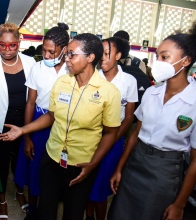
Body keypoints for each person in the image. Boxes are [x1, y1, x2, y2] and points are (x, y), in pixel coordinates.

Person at [0, 33, 122, 220]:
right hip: (52, 157)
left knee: (73, 213)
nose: (67, 59)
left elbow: (111, 133)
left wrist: (93, 164)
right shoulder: (62, 82)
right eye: (67, 54)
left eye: (72, 54)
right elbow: (51, 116)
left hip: (81, 164)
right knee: (45, 210)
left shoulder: (108, 92)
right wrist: (24, 131)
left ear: (90, 58)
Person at [108, 20, 196, 220]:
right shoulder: (152, 93)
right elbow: (136, 134)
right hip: (135, 163)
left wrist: (179, 204)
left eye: (165, 57)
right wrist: (119, 168)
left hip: (164, 172)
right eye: (157, 56)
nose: (158, 62)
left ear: (186, 61)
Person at [0, 23, 36, 220]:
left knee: (21, 162)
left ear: (19, 43)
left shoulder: (30, 63)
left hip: (24, 124)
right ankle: (2, 200)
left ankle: (19, 192)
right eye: (3, 45)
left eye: (12, 45)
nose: (7, 50)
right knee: (1, 165)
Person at [14, 22, 70, 220]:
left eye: (51, 52)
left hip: (63, 124)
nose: (46, 56)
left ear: (65, 50)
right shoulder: (37, 68)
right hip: (38, 120)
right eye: (44, 50)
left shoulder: (73, 70)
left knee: (57, 169)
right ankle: (33, 209)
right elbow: (30, 102)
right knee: (34, 166)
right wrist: (27, 135)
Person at [85, 37, 138, 220]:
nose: (103, 58)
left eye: (107, 54)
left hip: (114, 140)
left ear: (119, 55)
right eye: (101, 53)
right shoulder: (92, 76)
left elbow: (129, 116)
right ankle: (88, 215)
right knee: (87, 182)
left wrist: (112, 139)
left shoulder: (129, 81)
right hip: (91, 138)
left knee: (101, 188)